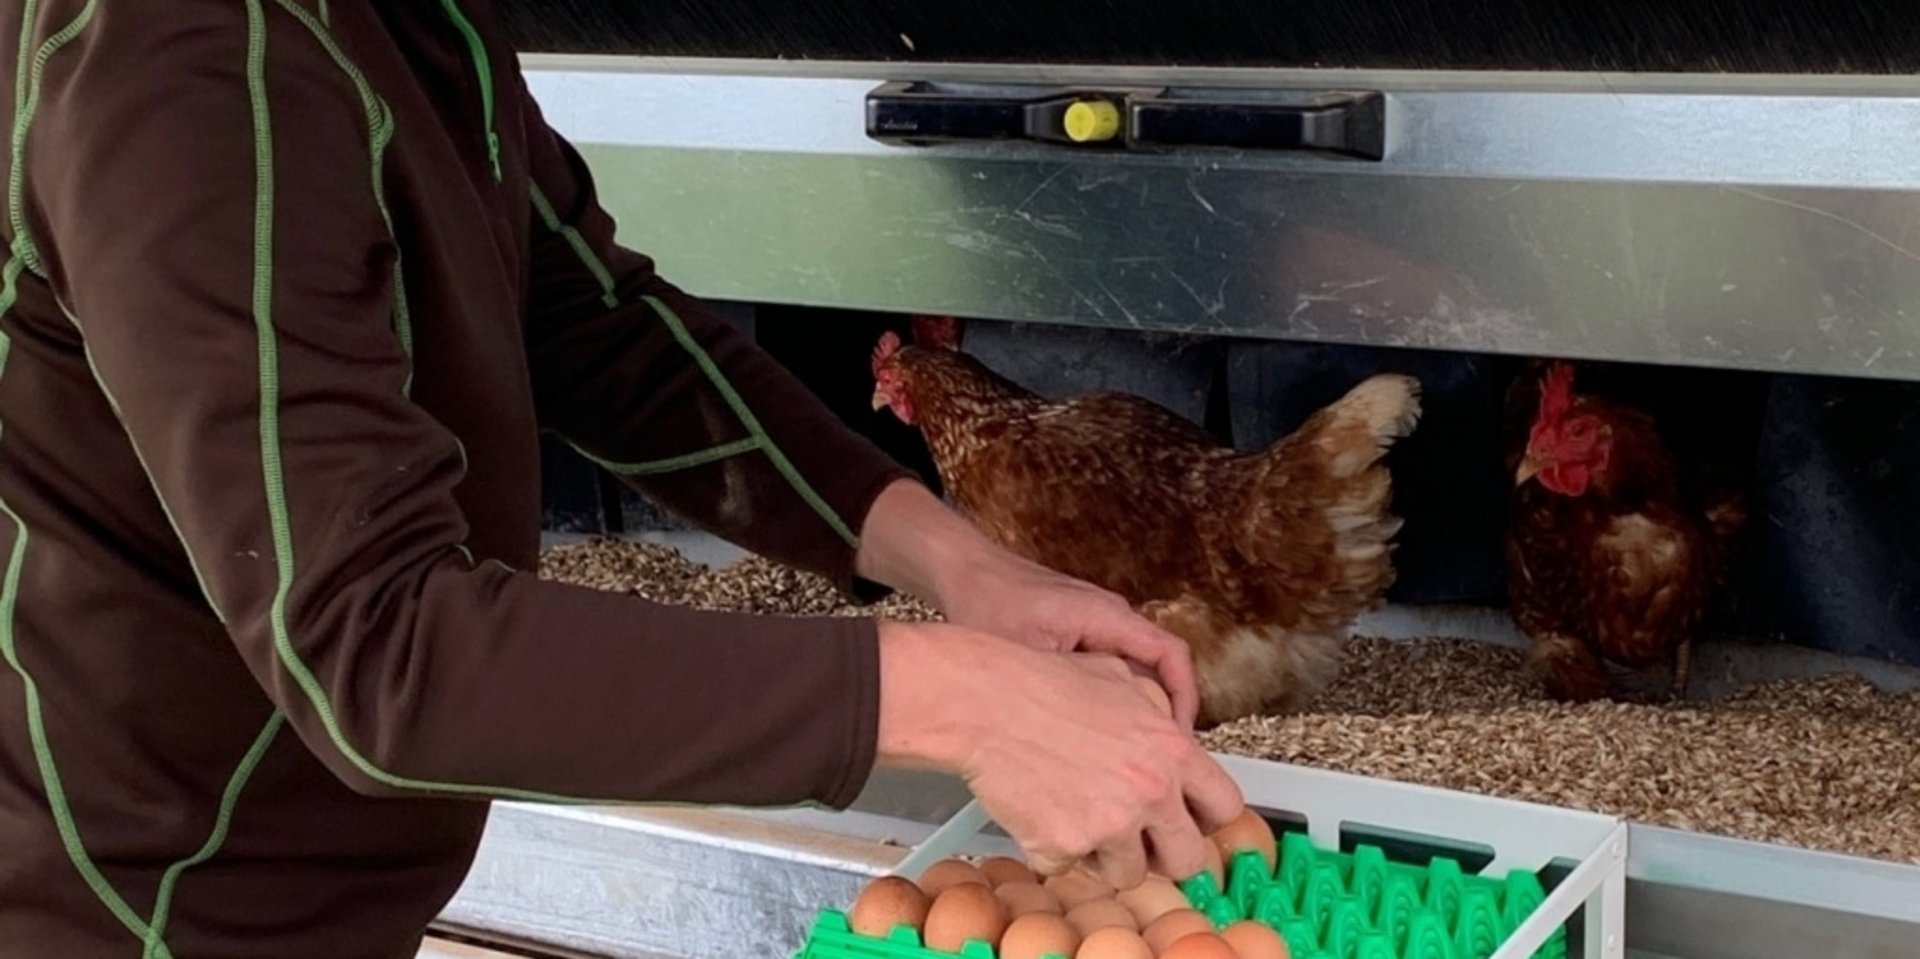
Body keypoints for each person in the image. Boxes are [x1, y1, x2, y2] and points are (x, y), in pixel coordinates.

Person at [0, 2, 1244, 955]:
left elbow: (594, 322)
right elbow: (375, 645)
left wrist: (958, 563)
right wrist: (956, 699)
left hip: (320, 879)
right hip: (146, 903)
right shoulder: (184, 60)